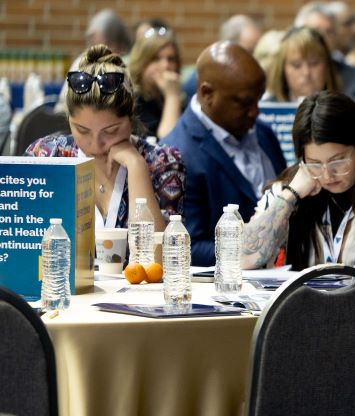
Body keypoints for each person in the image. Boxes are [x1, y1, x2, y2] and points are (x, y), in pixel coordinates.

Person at [26, 45, 184, 232]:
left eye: (110, 131)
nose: (96, 145)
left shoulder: (162, 163)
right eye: (82, 130)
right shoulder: (47, 156)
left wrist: (136, 167)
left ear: (131, 111)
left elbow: (157, 257)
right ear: (68, 118)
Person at [240, 91, 355, 270]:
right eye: (315, 164)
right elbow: (243, 260)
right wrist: (291, 195)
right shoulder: (286, 193)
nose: (327, 175)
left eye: (338, 161)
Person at [162, 42, 286, 266]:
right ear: (207, 93)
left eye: (258, 100)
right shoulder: (176, 154)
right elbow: (190, 246)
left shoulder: (263, 133)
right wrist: (256, 251)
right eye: (245, 102)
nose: (255, 111)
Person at [264, 27, 355, 162]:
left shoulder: (351, 108)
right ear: (282, 70)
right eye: (296, 65)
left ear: (327, 67)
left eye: (314, 63)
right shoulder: (265, 114)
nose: (306, 73)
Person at [129, 26, 185, 140]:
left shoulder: (183, 98)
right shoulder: (132, 103)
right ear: (141, 63)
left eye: (171, 59)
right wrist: (172, 96)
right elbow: (167, 144)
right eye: (156, 59)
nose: (165, 66)